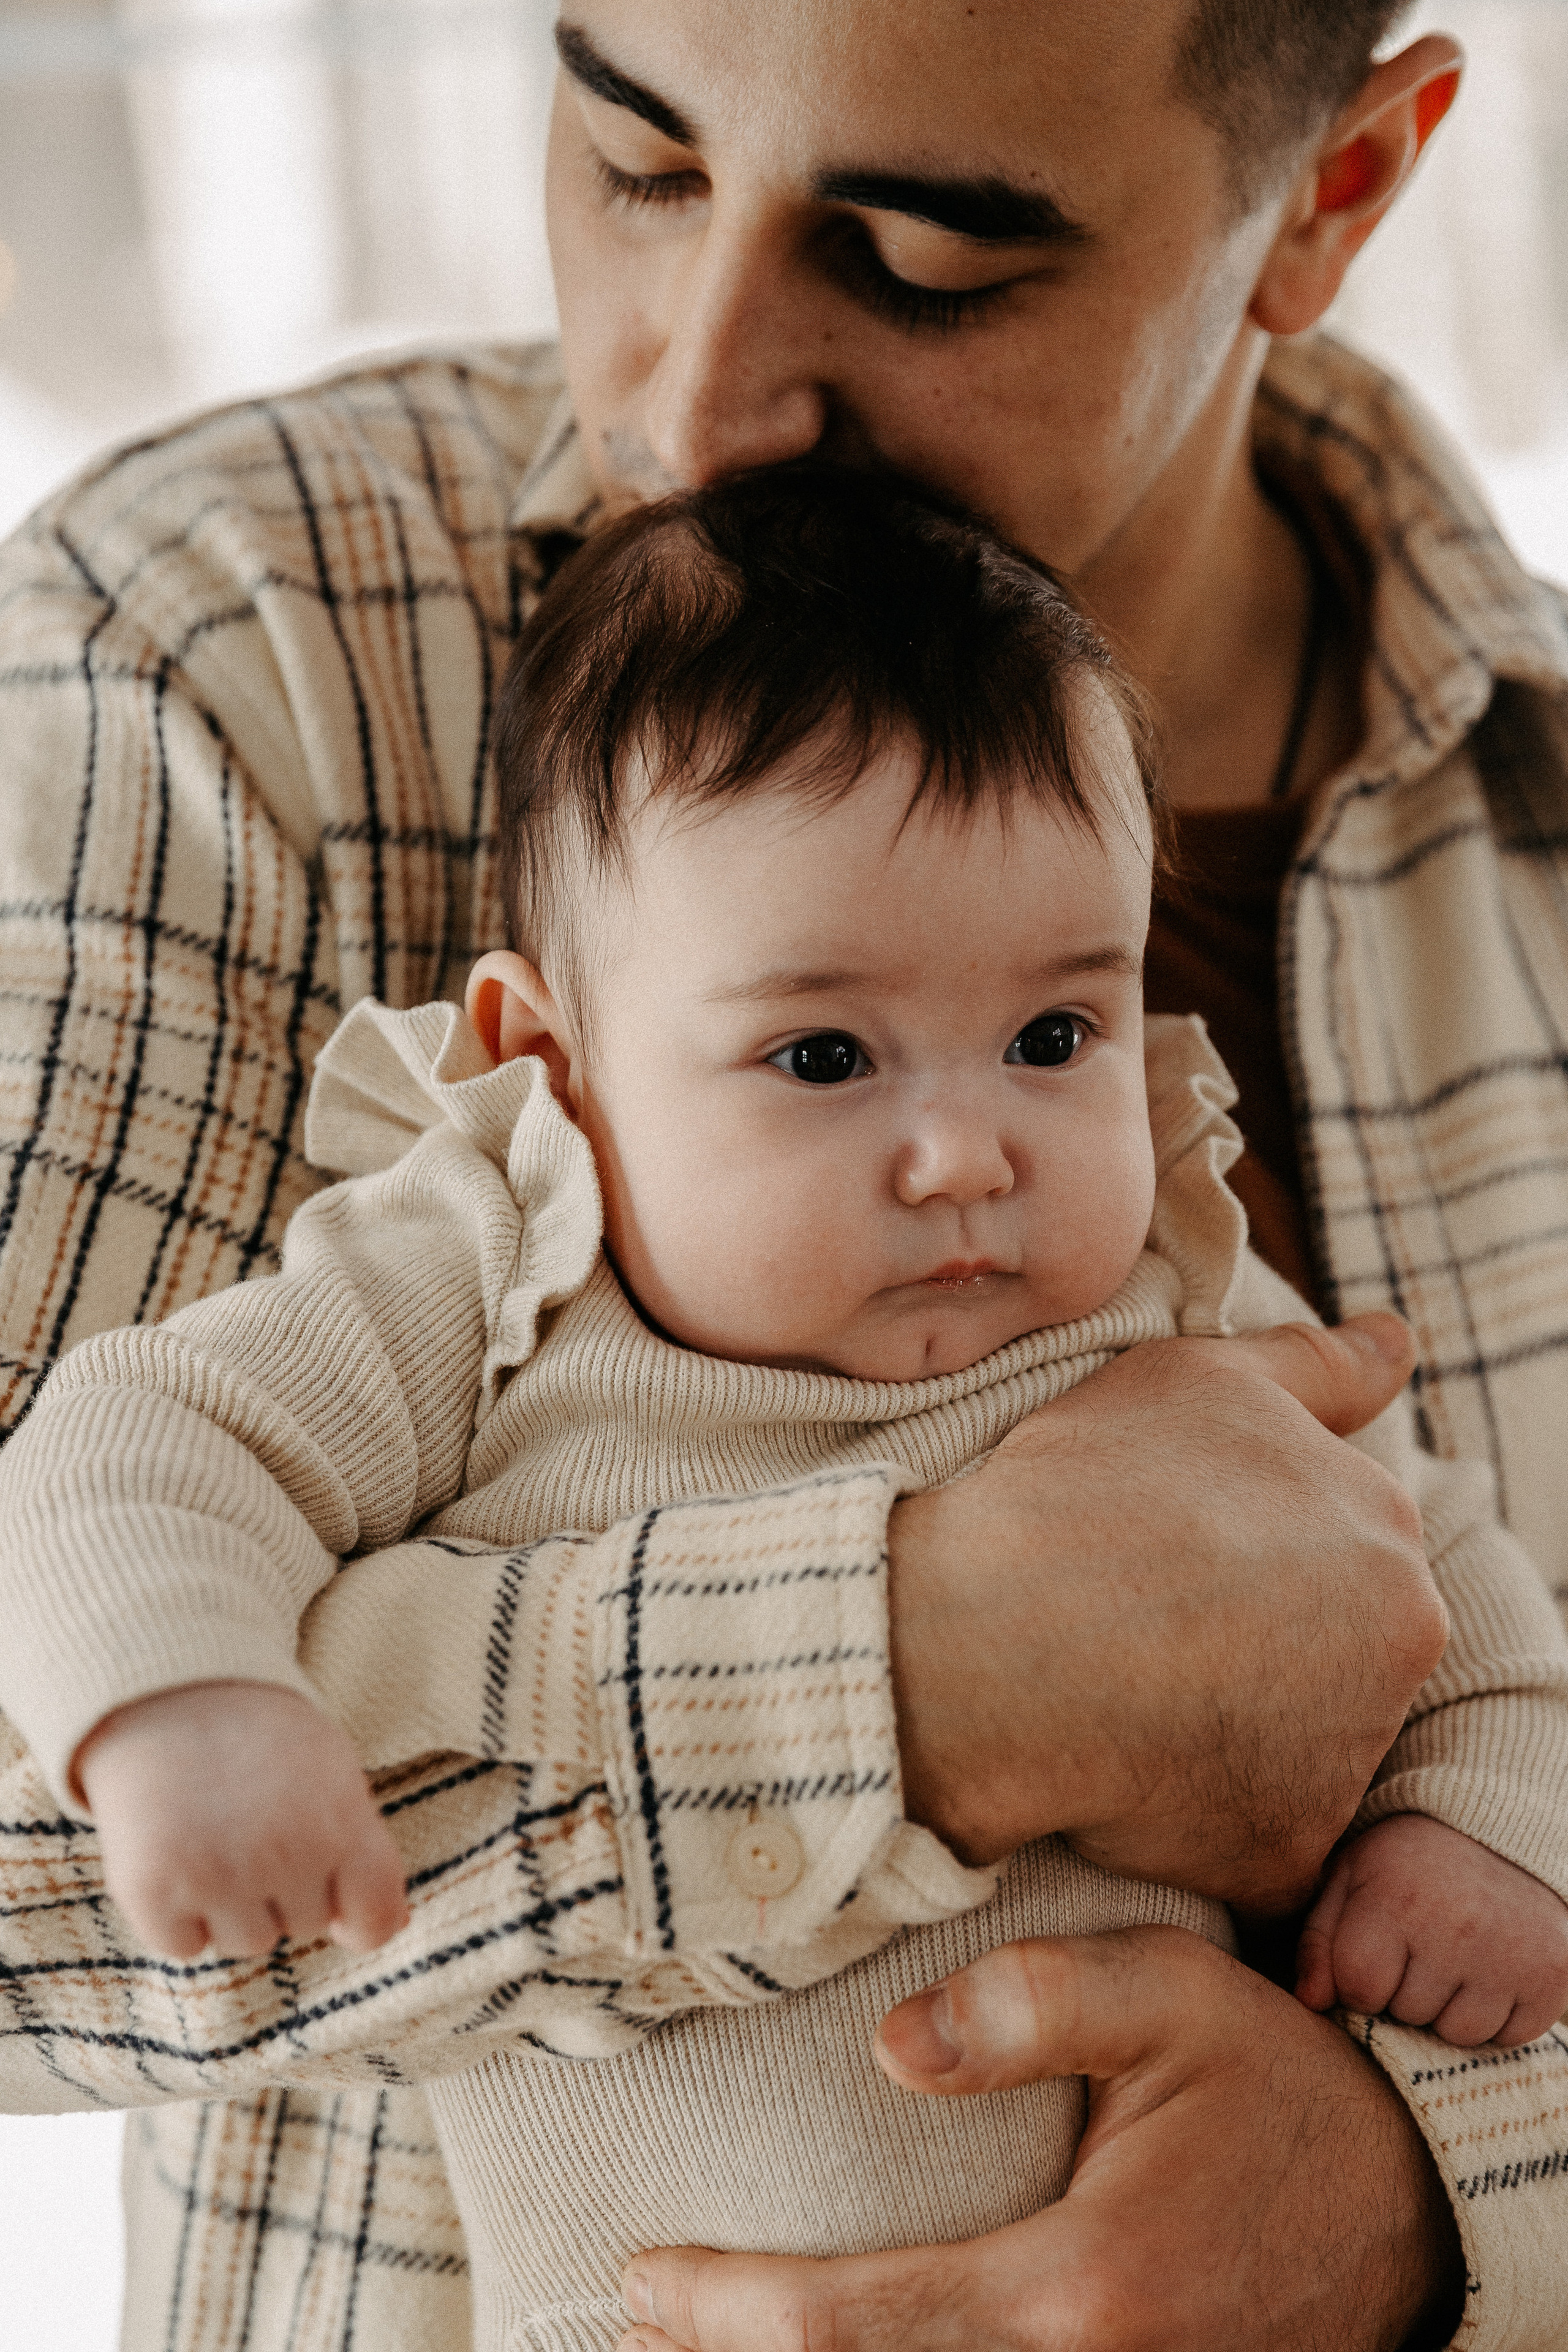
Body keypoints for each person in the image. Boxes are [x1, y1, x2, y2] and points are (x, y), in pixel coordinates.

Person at [1, 1, 1566, 2347]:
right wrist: (902, 1675)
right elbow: (116, 1523)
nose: (697, 402)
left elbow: (1488, 1661)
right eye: (636, 157)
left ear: (1334, 192)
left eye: (930, 257)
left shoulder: (1195, 1197)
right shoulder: (224, 678)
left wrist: (1444, 2210)